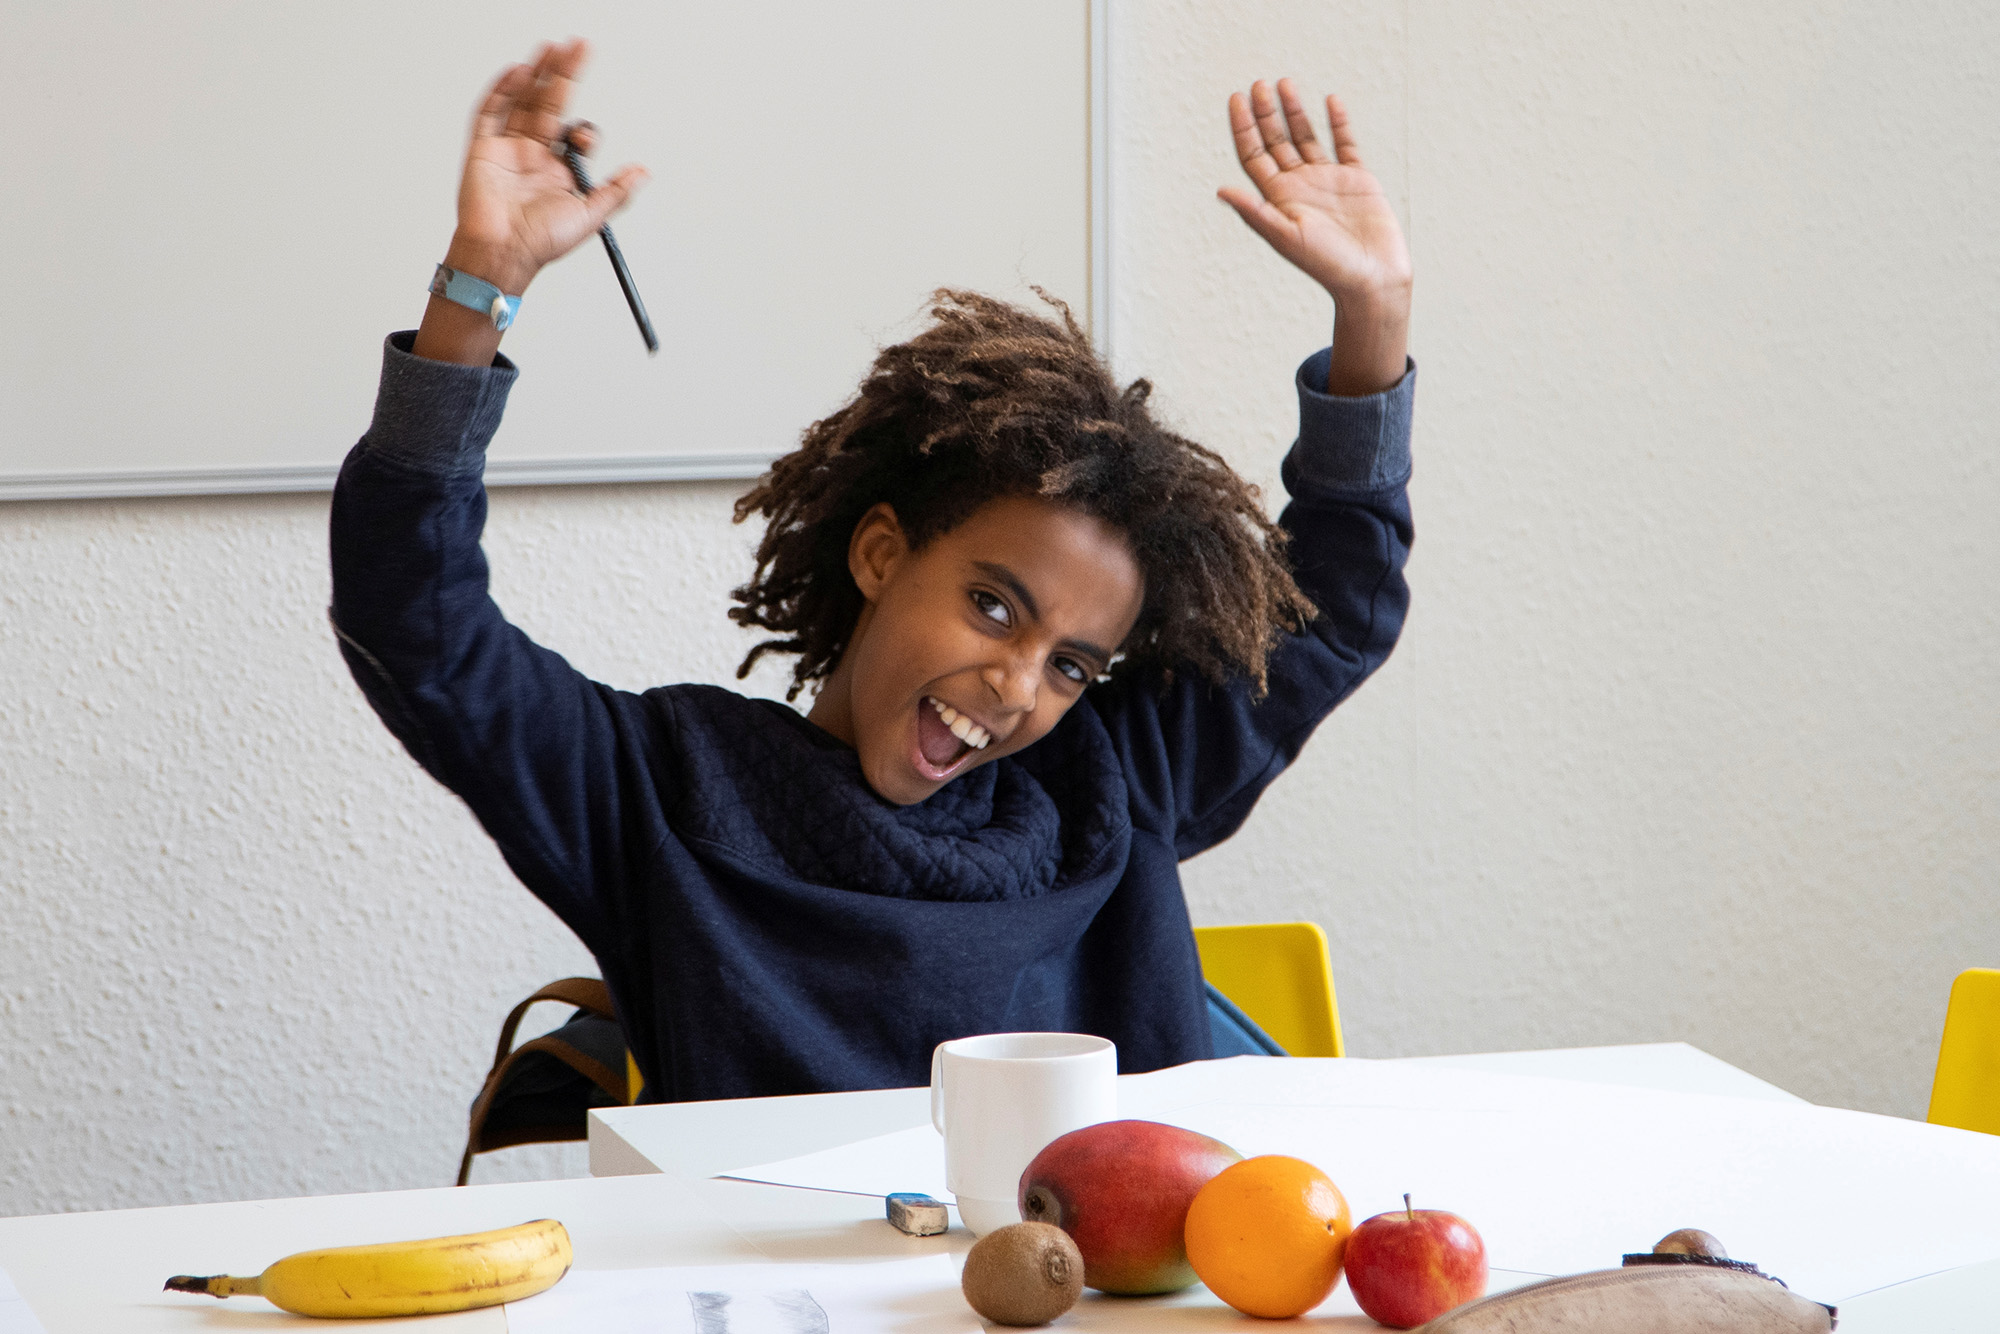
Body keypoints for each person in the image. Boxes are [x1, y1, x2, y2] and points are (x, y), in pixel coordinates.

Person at [330, 39, 1415, 1103]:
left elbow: (1330, 614)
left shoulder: (1104, 788)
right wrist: (479, 289)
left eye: (1073, 665)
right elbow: (415, 619)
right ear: (880, 552)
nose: (1017, 685)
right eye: (994, 606)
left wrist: (1372, 317)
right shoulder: (664, 792)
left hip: (1103, 1280)